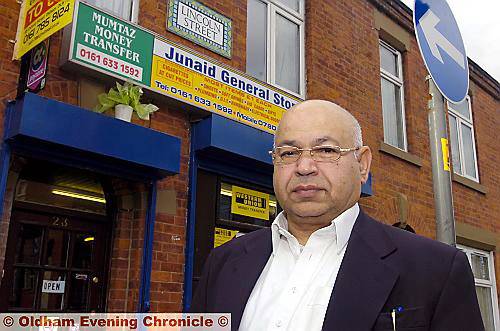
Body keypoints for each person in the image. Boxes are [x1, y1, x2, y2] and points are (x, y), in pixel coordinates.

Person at [191, 100, 484, 331]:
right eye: (289, 153)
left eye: (326, 150)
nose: (304, 166)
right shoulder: (224, 260)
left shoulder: (438, 269)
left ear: (363, 164)